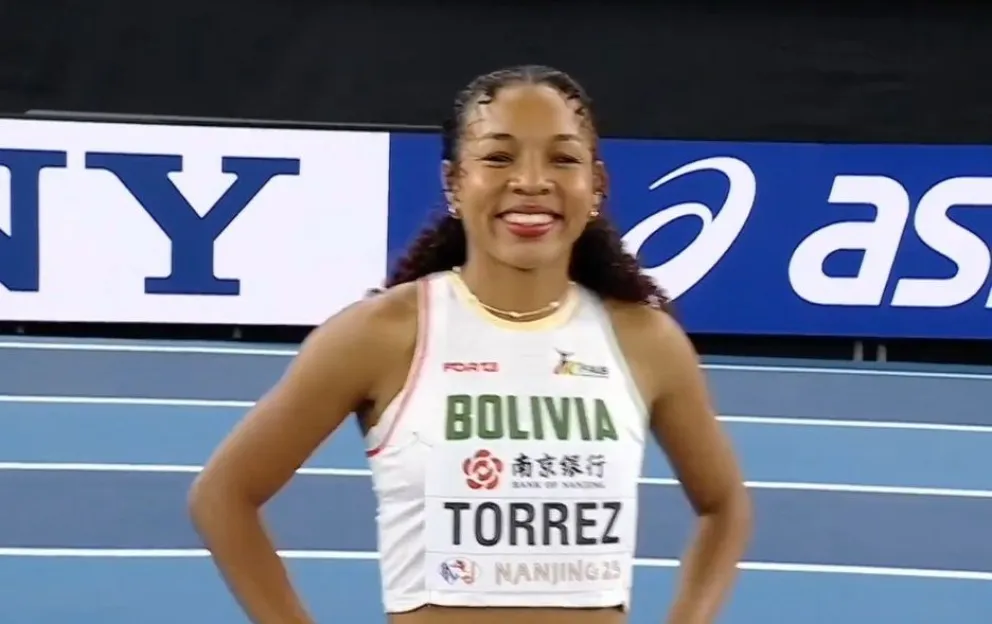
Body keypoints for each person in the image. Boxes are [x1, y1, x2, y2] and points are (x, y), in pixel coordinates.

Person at [188, 64, 752, 624]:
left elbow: (724, 505)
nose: (532, 182)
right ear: (455, 183)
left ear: (595, 185)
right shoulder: (382, 334)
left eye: (562, 158)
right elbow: (223, 496)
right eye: (499, 157)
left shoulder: (644, 340)